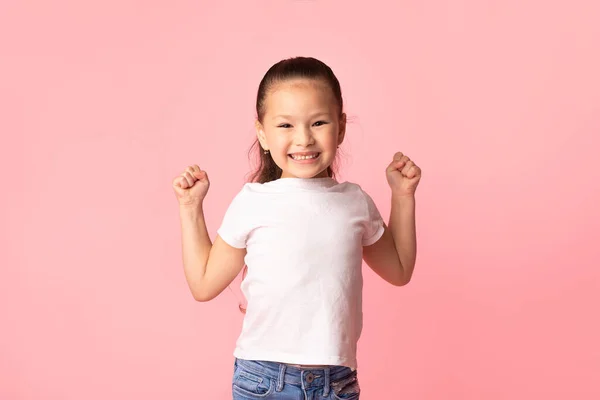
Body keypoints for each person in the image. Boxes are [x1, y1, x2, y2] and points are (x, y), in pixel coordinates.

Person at [172, 56, 421, 399]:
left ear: (341, 127)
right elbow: (203, 284)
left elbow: (399, 269)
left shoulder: (354, 202)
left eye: (318, 122)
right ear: (262, 133)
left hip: (337, 380)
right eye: (286, 125)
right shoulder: (252, 202)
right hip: (264, 379)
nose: (303, 139)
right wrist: (190, 207)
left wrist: (403, 195)